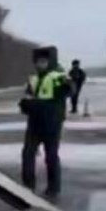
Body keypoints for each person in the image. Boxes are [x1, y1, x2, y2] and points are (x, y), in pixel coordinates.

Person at [19, 46, 69, 197]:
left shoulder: (58, 77)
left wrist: (40, 106)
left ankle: (53, 187)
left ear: (50, 62)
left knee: (51, 155)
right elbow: (27, 99)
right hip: (34, 123)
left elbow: (66, 93)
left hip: (52, 124)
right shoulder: (33, 79)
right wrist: (25, 105)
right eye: (38, 62)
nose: (40, 65)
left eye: (43, 61)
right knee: (28, 153)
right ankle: (27, 186)